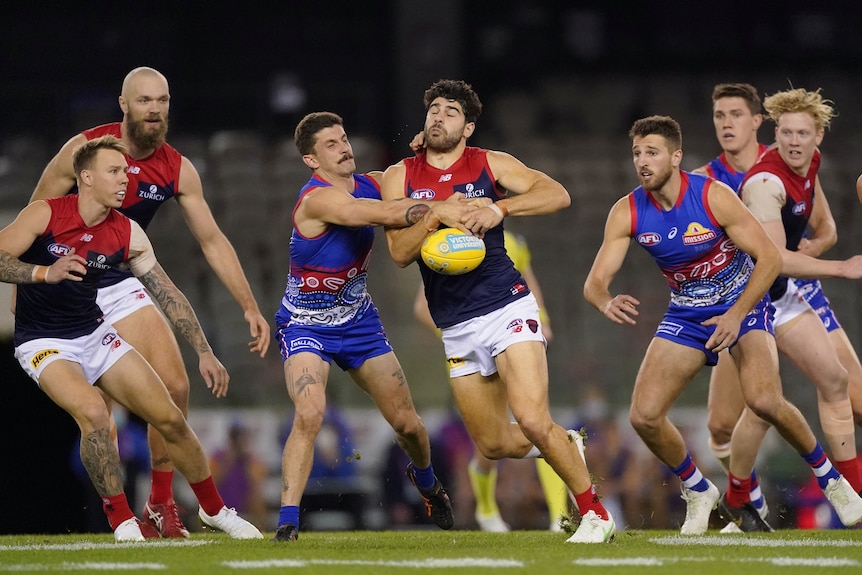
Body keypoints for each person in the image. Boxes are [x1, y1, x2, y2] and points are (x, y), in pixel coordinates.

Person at [582, 115, 862, 535]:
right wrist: (605, 300)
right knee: (644, 416)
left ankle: (832, 481)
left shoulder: (714, 196)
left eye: (652, 152)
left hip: (742, 302)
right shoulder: (627, 210)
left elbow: (768, 258)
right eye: (637, 153)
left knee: (765, 401)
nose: (642, 161)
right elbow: (594, 282)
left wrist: (735, 315)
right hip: (688, 312)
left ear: (676, 157)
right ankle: (698, 489)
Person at [28, 67, 271, 538]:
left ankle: (161, 504)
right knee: (98, 418)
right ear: (123, 105)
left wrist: (248, 305)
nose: (155, 110)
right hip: (69, 286)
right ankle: (115, 513)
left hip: (120, 280)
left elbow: (214, 241)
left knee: (175, 388)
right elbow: (35, 219)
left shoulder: (177, 167)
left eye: (162, 101)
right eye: (144, 101)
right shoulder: (82, 150)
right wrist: (30, 288)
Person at [380, 79, 614, 544]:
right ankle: (566, 444)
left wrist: (499, 209)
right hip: (455, 324)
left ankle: (596, 516)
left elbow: (557, 194)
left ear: (467, 127)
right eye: (434, 109)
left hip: (506, 305)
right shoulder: (399, 175)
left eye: (450, 111)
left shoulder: (489, 163)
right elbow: (399, 253)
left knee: (530, 417)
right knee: (492, 443)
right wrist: (433, 215)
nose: (439, 115)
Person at [272, 111, 460, 543]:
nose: (345, 147)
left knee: (408, 425)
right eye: (332, 144)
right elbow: (372, 213)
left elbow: (412, 178)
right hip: (305, 325)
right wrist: (437, 210)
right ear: (311, 160)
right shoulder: (316, 200)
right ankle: (287, 522)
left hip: (359, 322)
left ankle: (428, 483)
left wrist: (426, 151)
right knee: (310, 412)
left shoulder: (373, 182)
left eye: (345, 138)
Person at [695, 84, 862, 522]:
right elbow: (774, 259)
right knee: (754, 409)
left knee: (835, 379)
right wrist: (841, 267)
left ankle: (853, 494)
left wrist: (814, 251)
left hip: (782, 292)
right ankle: (739, 493)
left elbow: (820, 231)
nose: (793, 141)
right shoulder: (760, 182)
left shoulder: (806, 163)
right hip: (746, 300)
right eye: (786, 132)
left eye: (801, 134)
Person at [413, 230, 570, 532]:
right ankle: (486, 507)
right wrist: (463, 341)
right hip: (472, 346)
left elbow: (529, 285)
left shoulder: (513, 241)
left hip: (512, 334)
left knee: (539, 423)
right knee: (491, 440)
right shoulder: (449, 241)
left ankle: (558, 517)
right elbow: (423, 306)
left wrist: (544, 323)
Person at [210, 419, 268, 530]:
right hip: (223, 499)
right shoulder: (218, 457)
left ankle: (262, 529)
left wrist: (245, 462)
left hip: (243, 500)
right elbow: (214, 483)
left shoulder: (250, 459)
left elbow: (256, 483)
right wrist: (229, 461)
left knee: (257, 500)